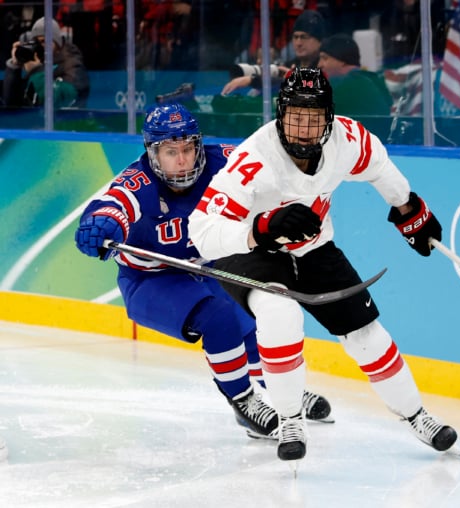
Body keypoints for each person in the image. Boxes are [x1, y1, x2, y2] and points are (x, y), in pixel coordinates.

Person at [188, 68, 459, 464]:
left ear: (329, 119)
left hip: (314, 246)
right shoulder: (252, 161)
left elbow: (379, 166)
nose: (303, 128)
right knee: (279, 313)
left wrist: (407, 208)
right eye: (295, 116)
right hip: (250, 249)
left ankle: (417, 415)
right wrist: (260, 230)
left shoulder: (346, 141)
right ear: (280, 114)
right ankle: (290, 418)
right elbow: (202, 231)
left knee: (366, 334)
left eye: (313, 119)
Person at [74, 103, 333, 440]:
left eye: (187, 148)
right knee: (218, 319)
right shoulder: (137, 185)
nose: (182, 160)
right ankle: (244, 402)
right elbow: (111, 207)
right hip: (151, 280)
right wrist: (99, 225)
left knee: (255, 325)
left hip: (207, 269)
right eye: (170, 152)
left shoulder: (223, 161)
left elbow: (268, 164)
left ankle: (285, 394)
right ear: (152, 154)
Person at [221, 9, 325, 96]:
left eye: (304, 37)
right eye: (295, 37)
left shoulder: (324, 66)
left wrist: (252, 80)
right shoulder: (288, 66)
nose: (298, 43)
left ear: (319, 41)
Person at [2, 16, 90, 108]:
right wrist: (14, 67)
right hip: (35, 121)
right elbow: (10, 104)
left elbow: (58, 100)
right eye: (37, 42)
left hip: (67, 121)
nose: (41, 46)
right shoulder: (36, 65)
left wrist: (36, 70)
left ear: (58, 44)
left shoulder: (73, 66)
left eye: (45, 41)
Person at [317, 33, 392, 116]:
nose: (319, 65)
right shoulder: (371, 80)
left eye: (325, 58)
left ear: (342, 59)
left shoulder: (346, 86)